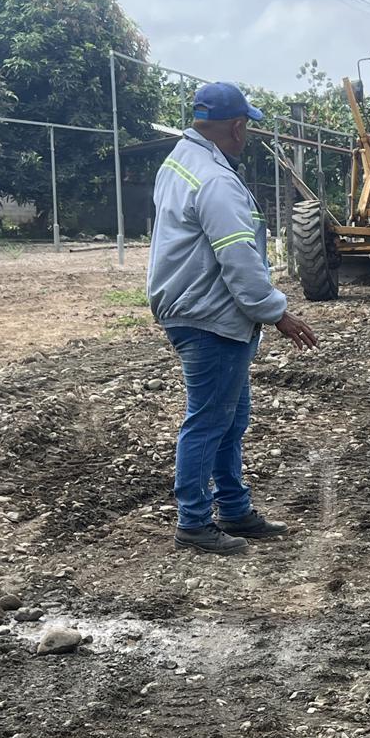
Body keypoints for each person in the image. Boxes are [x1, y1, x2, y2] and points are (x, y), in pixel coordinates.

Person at [147, 81, 318, 556]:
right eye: (248, 127)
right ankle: (194, 523)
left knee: (230, 417)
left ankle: (235, 509)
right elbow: (238, 259)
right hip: (210, 315)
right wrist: (278, 312)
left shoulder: (180, 161)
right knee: (209, 421)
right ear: (238, 126)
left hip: (196, 309)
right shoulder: (216, 180)